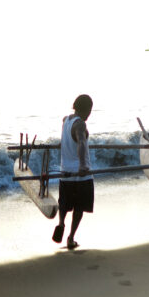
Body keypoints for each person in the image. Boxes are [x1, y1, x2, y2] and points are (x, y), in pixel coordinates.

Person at [52, 94, 94, 250]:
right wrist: (83, 165)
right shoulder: (80, 125)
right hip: (80, 175)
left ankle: (61, 222)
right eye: (90, 110)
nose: (90, 114)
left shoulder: (66, 120)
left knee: (64, 203)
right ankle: (70, 238)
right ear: (86, 109)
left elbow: (68, 140)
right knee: (79, 208)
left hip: (65, 172)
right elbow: (82, 143)